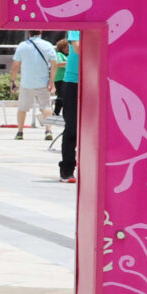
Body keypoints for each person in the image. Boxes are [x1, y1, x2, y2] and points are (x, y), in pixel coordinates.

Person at [13, 32, 59, 140]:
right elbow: (54, 64)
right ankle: (48, 130)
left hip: (26, 82)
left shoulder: (22, 45)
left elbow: (16, 65)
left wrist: (13, 80)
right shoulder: (48, 45)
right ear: (40, 32)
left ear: (29, 33)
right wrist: (52, 81)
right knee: (46, 107)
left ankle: (20, 132)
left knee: (22, 108)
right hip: (43, 82)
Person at [57, 28, 82, 182]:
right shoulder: (77, 27)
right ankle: (67, 169)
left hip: (95, 79)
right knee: (72, 127)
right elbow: (77, 47)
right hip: (73, 82)